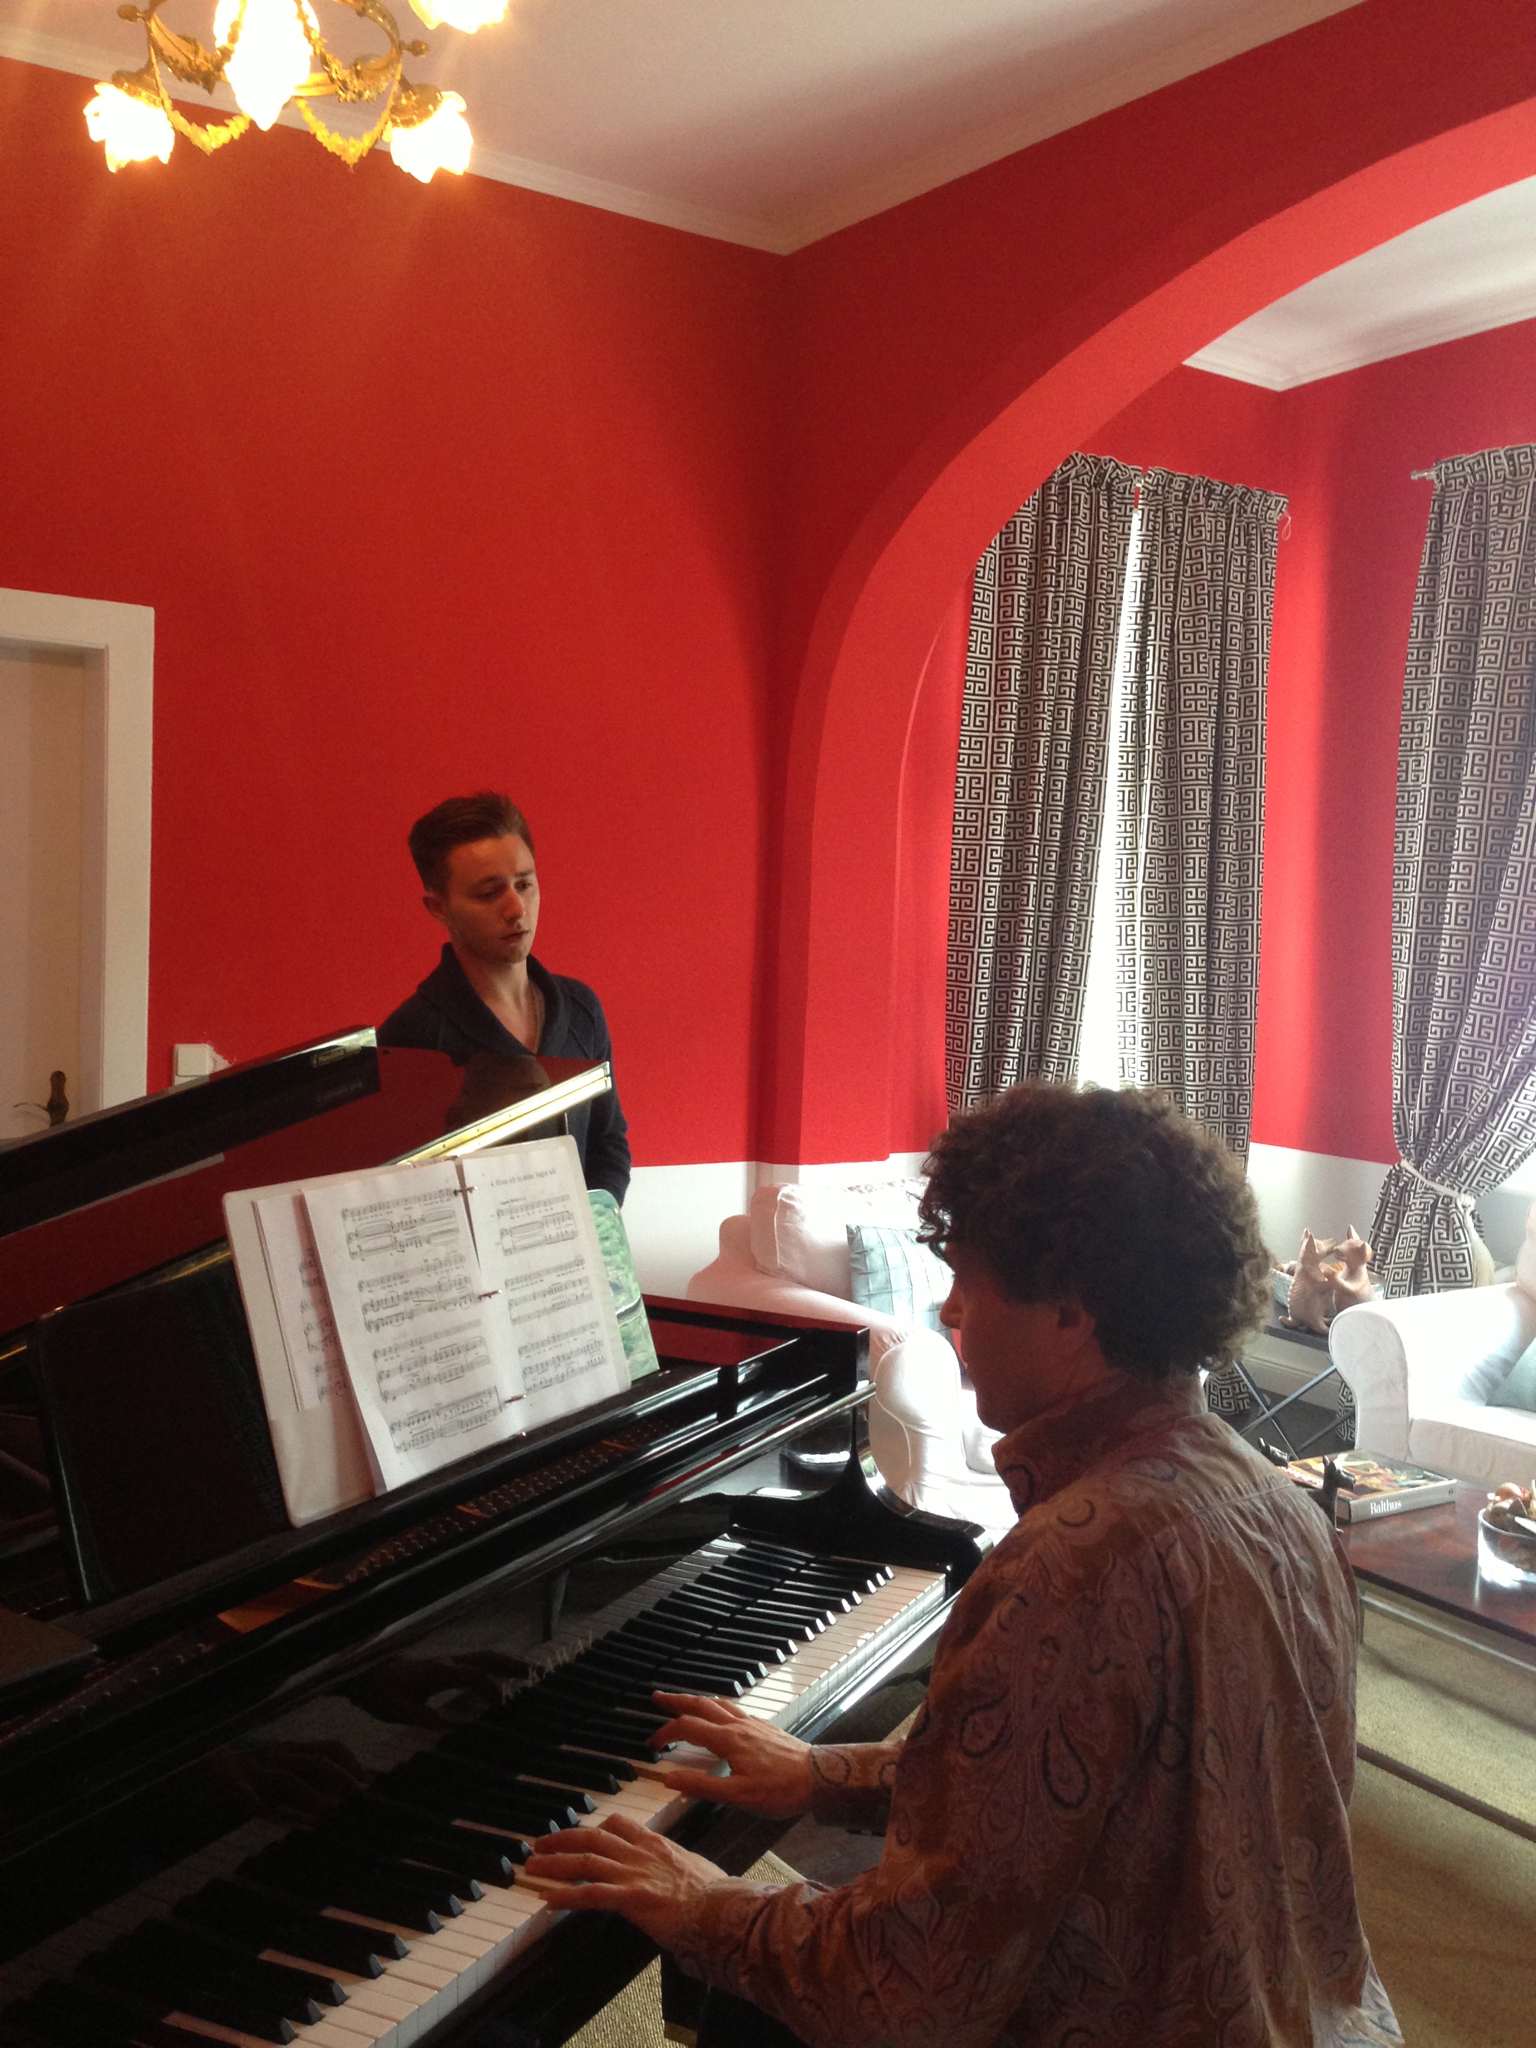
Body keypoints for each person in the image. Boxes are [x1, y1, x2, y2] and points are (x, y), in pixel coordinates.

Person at [526, 1083, 1403, 2047]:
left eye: (971, 1284)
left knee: (747, 1995)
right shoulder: (1277, 1502)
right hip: (1315, 2020)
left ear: (1071, 1314)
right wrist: (823, 1775)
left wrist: (704, 1906)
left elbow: (910, 1989)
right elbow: (1046, 1785)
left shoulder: (1075, 1568)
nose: (949, 1313)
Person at [378, 791, 630, 1203]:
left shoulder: (582, 1009)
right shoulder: (407, 1041)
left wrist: (594, 1221)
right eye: (488, 893)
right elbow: (408, 1193)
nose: (516, 908)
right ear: (438, 907)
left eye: (524, 884)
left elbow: (608, 1141)